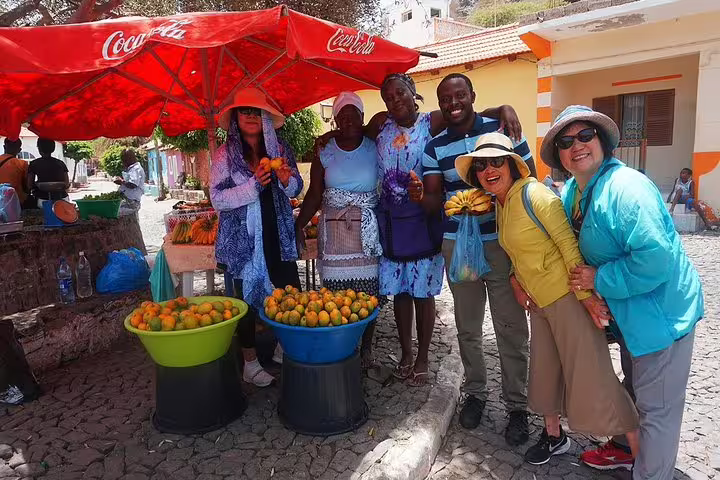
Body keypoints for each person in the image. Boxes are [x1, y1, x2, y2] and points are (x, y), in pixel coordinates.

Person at [316, 74, 521, 386]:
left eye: (400, 93)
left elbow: (464, 112)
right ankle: (406, 354)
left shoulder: (432, 121)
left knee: (422, 291)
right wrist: (326, 139)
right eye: (388, 97)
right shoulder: (381, 124)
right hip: (390, 221)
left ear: (413, 93)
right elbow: (349, 133)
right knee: (399, 290)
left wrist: (504, 109)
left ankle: (423, 356)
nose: (395, 100)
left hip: (425, 213)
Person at [540, 105, 703, 479]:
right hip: (630, 318)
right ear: (560, 156)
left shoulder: (627, 190)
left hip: (662, 318)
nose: (577, 145)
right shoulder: (575, 194)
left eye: (585, 136)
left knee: (656, 408)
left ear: (603, 141)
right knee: (631, 386)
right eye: (566, 141)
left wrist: (599, 279)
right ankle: (625, 451)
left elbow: (655, 259)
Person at [456, 131, 639, 465]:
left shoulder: (534, 194)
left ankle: (639, 452)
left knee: (594, 375)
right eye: (481, 165)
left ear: (512, 165)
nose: (488, 169)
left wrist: (586, 298)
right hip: (539, 304)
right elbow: (517, 251)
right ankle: (554, 436)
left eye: (497, 161)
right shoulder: (502, 203)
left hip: (567, 297)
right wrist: (514, 279)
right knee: (545, 374)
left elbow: (567, 244)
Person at [417, 73, 533, 444]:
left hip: (502, 242)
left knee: (511, 326)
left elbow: (530, 182)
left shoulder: (501, 128)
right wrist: (421, 195)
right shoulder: (434, 147)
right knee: (468, 326)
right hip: (458, 244)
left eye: (460, 95)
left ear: (472, 96)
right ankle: (476, 393)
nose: (453, 103)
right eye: (445, 98)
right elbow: (435, 200)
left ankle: (517, 405)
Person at [211, 88, 303, 387]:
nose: (251, 116)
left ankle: (283, 348)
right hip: (242, 239)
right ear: (236, 118)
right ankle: (250, 363)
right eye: (244, 111)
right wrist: (253, 186)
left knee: (290, 292)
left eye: (256, 111)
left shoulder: (280, 150)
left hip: (278, 232)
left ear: (265, 117)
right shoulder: (225, 155)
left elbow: (296, 188)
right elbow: (217, 198)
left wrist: (289, 181)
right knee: (246, 301)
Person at [295, 92, 382, 366]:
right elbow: (314, 194)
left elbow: (384, 118)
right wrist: (299, 224)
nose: (347, 121)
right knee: (335, 293)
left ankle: (366, 348)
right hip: (334, 233)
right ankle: (342, 344)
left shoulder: (374, 145)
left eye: (353, 114)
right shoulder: (325, 151)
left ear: (362, 117)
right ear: (334, 121)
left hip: (366, 229)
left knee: (369, 293)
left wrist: (360, 130)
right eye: (341, 116)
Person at [27, 138, 69, 206]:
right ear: (53, 148)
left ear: (39, 149)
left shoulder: (34, 164)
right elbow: (66, 184)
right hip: (62, 198)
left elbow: (29, 185)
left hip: (42, 199)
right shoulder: (61, 163)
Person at [115, 149, 146, 215]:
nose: (123, 162)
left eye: (124, 160)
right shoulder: (132, 169)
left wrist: (121, 182)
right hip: (129, 200)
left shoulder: (136, 169)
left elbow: (133, 184)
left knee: (117, 214)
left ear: (128, 159)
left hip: (131, 201)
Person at [0, 138, 29, 207]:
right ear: (19, 150)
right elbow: (27, 185)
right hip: (15, 202)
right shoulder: (22, 164)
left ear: (4, 147)